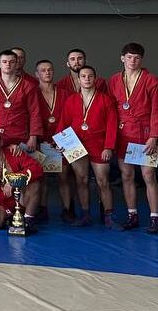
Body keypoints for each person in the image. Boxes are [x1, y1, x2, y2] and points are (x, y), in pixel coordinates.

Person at [106, 43, 158, 233]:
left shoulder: (151, 80)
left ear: (142, 60)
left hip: (145, 133)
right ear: (122, 58)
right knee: (127, 176)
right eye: (129, 57)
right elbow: (111, 110)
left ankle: (154, 217)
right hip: (123, 133)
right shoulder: (114, 80)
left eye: (137, 58)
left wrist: (154, 137)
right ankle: (132, 215)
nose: (133, 61)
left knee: (148, 176)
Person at [57, 65, 119, 228]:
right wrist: (60, 143)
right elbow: (63, 123)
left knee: (103, 181)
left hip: (99, 144)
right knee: (81, 180)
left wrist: (108, 147)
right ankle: (85, 215)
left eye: (90, 76)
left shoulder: (106, 100)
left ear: (95, 79)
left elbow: (112, 125)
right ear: (78, 80)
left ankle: (109, 216)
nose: (87, 79)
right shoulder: (71, 100)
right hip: (76, 144)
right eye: (83, 76)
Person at [0, 128, 44, 229]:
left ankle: (28, 220)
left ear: (1, 142)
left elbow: (37, 168)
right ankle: (11, 218)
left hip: (22, 195)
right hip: (1, 197)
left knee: (35, 184)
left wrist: (14, 181)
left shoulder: (14, 153)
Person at [34, 59, 76, 224]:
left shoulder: (65, 93)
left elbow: (72, 117)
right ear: (37, 74)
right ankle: (42, 209)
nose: (47, 72)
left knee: (64, 177)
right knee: (42, 177)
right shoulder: (33, 93)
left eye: (50, 69)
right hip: (41, 141)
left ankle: (67, 209)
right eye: (43, 70)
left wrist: (63, 139)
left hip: (61, 142)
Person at [0, 49, 44, 151]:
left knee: (22, 161)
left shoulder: (28, 86)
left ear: (16, 64)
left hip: (21, 136)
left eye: (12, 62)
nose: (8, 64)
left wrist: (33, 137)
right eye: (4, 62)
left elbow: (35, 113)